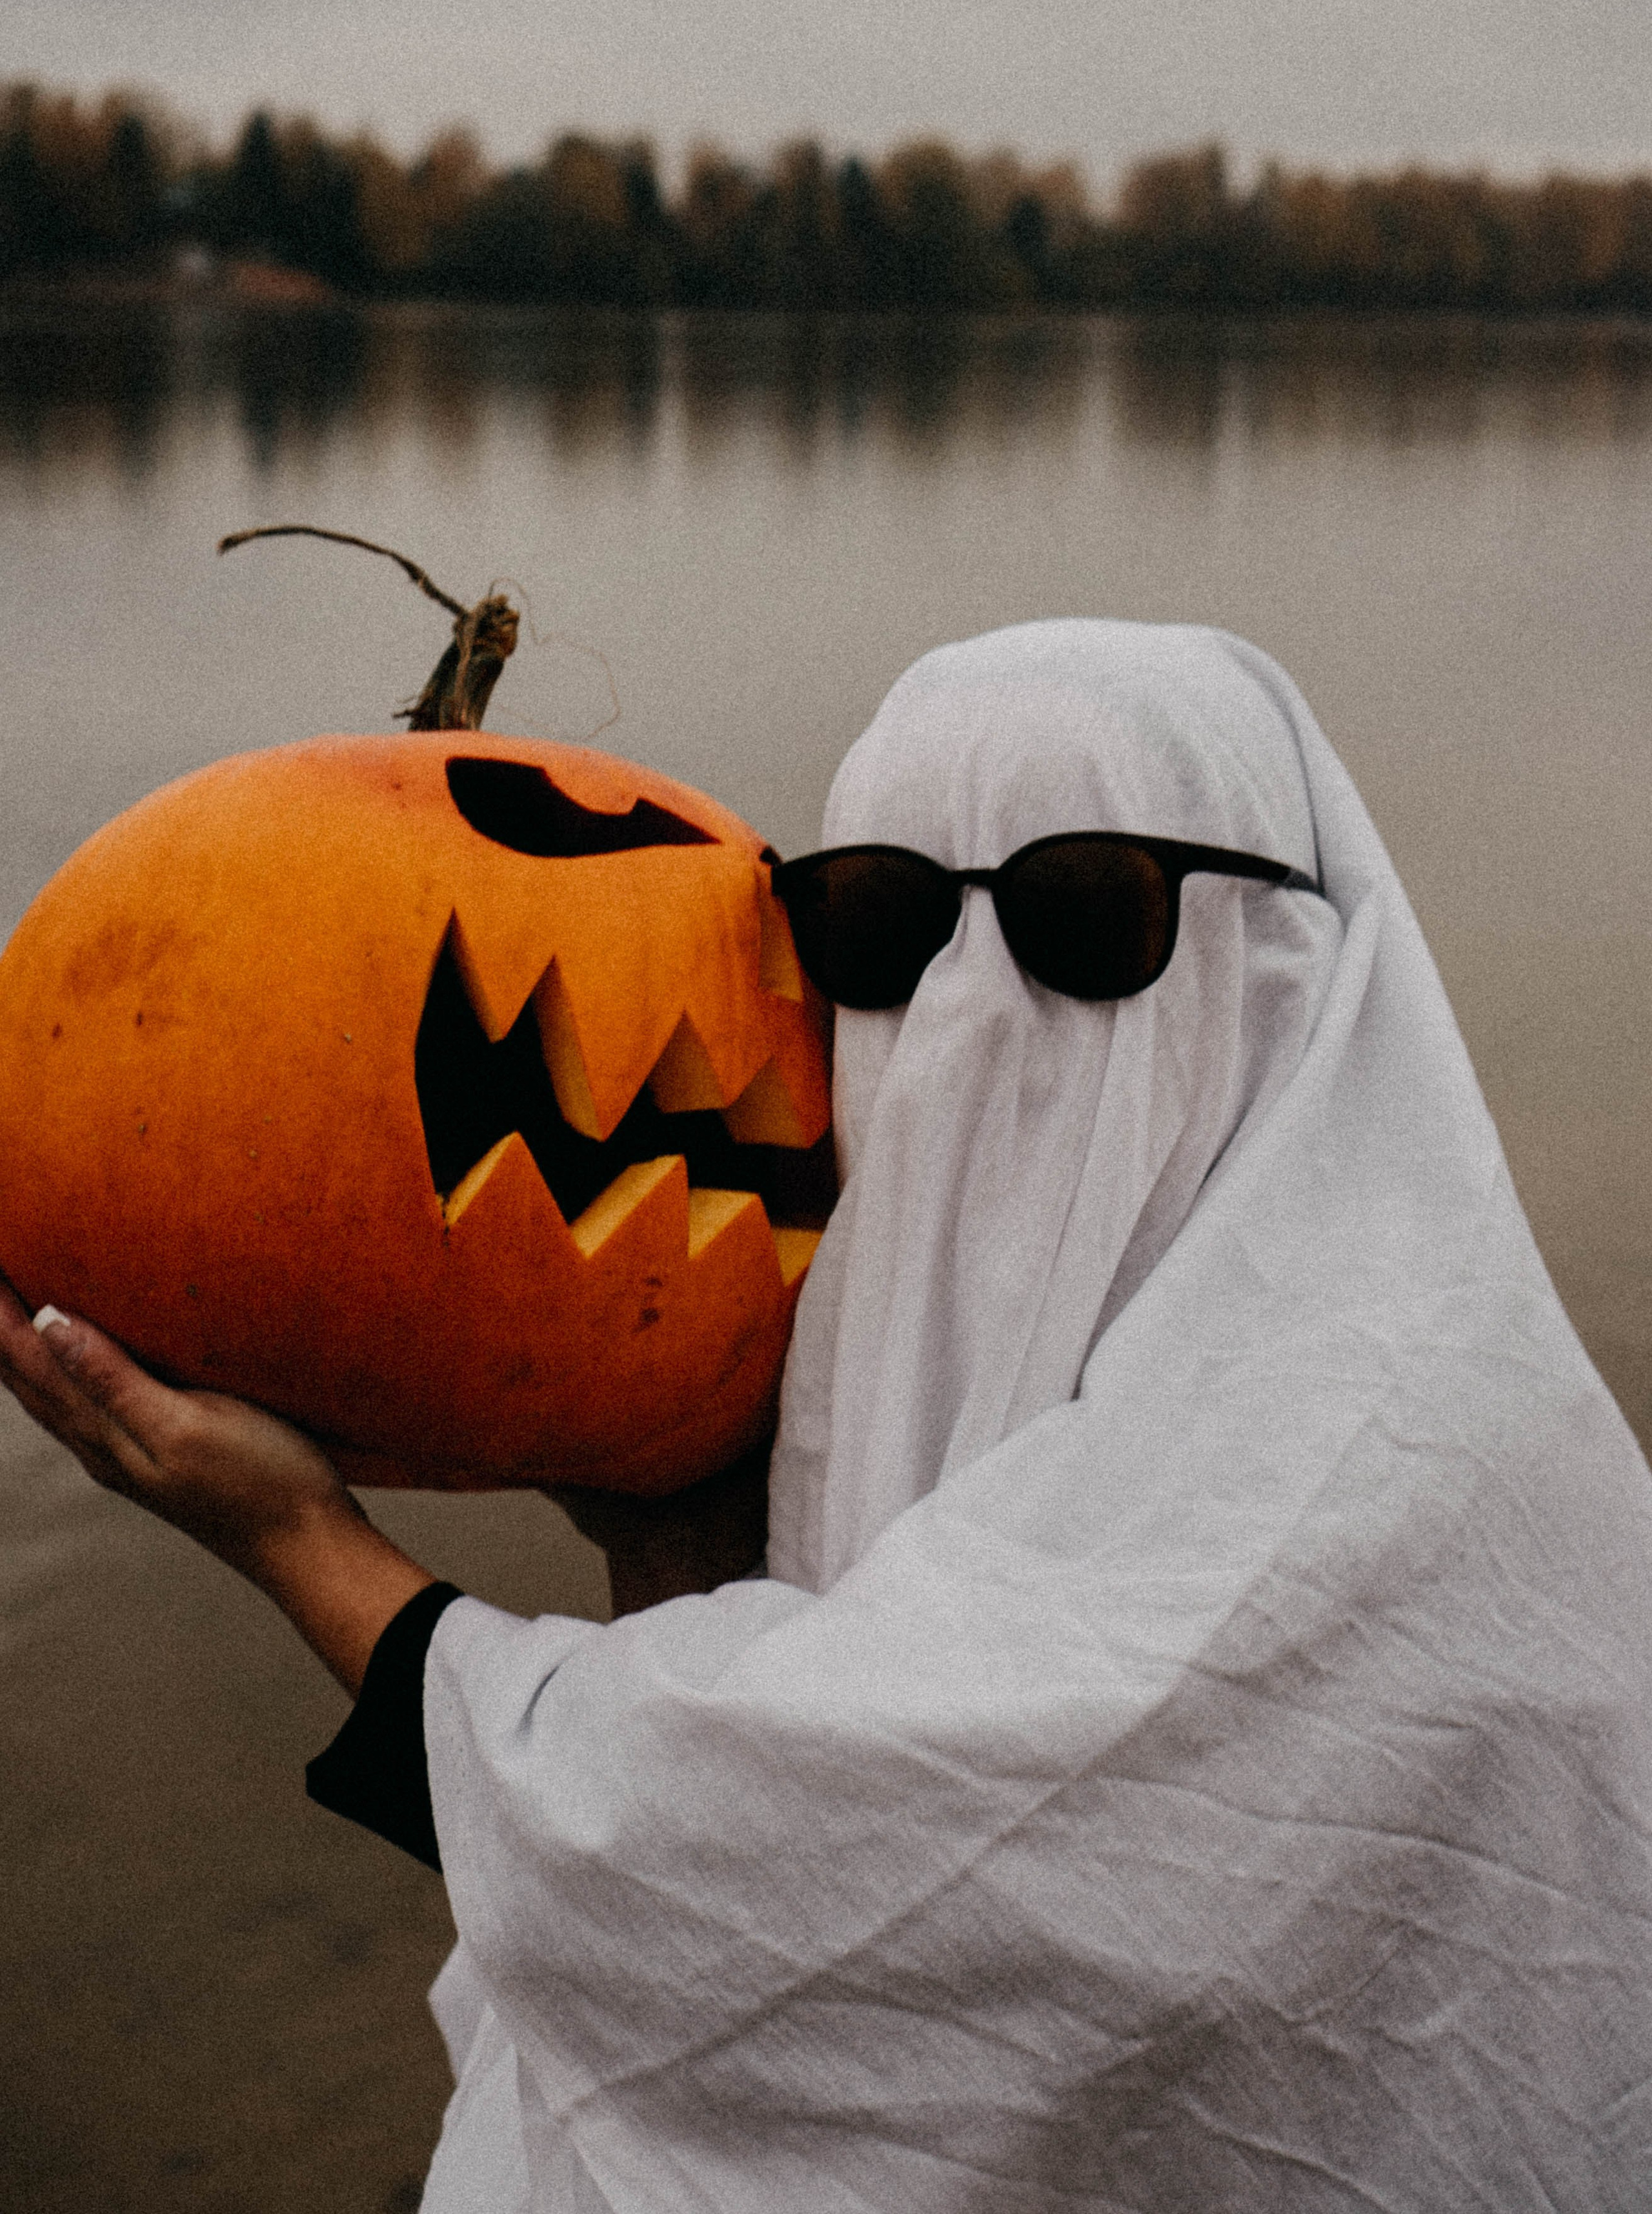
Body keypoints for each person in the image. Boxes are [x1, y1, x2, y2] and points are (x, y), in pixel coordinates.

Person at [5, 618, 1651, 2211]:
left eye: (1085, 915)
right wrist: (654, 1486)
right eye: (878, 926)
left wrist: (299, 1545)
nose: (975, 1002)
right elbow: (786, 1799)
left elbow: (776, 1879)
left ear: (1295, 950)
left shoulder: (1394, 1456)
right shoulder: (902, 1342)